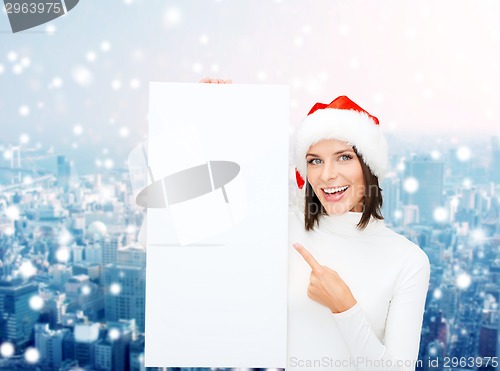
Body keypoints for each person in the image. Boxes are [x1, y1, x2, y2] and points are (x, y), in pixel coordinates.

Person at [288, 95, 430, 370]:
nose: (327, 175)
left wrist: (345, 306)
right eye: (315, 161)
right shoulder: (286, 229)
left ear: (369, 166)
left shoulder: (409, 260)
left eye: (344, 157)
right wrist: (206, 105)